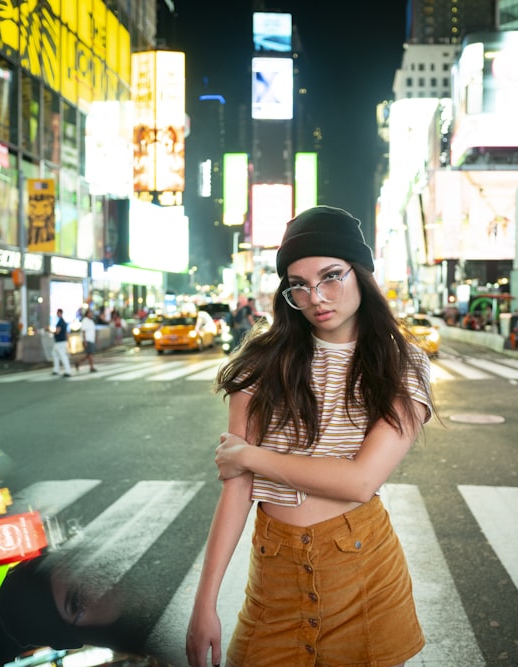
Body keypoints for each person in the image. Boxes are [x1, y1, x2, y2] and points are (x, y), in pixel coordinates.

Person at [186, 206, 435, 667]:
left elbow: (361, 482)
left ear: (361, 273)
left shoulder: (401, 365)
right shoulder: (262, 362)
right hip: (274, 572)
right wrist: (205, 602)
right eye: (298, 285)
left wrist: (251, 457)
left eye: (330, 276)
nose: (316, 296)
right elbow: (236, 489)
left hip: (365, 571)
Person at [51, 308, 73, 377]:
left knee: (62, 356)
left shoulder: (60, 322)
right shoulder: (63, 321)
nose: (57, 314)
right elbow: (66, 333)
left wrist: (50, 330)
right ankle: (56, 369)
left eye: (58, 313)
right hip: (61, 341)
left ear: (60, 313)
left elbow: (57, 332)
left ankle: (67, 371)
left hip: (60, 341)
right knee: (55, 354)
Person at [75, 308, 98, 372]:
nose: (91, 314)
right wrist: (84, 341)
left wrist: (96, 338)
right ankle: (91, 367)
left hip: (91, 339)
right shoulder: (85, 320)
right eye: (89, 313)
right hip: (87, 340)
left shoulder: (92, 321)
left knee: (89, 354)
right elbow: (84, 331)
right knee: (90, 354)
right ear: (87, 314)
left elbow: (93, 330)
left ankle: (78, 363)